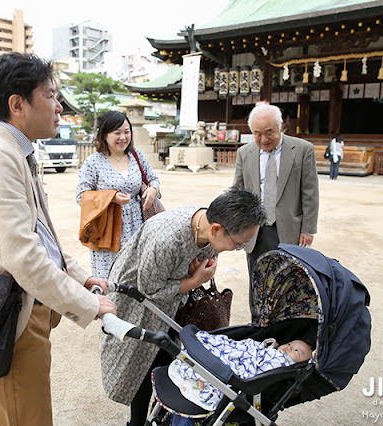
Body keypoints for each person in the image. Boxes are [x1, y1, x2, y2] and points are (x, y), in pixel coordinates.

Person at [0, 52, 116, 425]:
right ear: (18, 105)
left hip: (26, 305)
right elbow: (22, 255)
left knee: (33, 409)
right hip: (8, 310)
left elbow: (40, 234)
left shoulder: (16, 150)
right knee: (23, 415)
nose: (59, 106)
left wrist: (79, 275)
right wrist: (87, 304)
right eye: (50, 95)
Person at [100, 188, 266, 426]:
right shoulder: (167, 239)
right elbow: (150, 289)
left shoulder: (205, 225)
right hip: (137, 304)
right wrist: (195, 281)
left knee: (166, 360)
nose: (237, 249)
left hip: (167, 304)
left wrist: (196, 270)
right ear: (217, 229)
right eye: (238, 244)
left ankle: (164, 418)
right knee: (140, 367)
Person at [232, 104, 319, 285]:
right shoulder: (244, 153)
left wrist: (308, 229)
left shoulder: (303, 150)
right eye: (257, 133)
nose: (263, 139)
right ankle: (257, 314)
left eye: (269, 132)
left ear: (280, 127)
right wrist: (235, 226)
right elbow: (237, 192)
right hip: (255, 229)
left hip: (289, 229)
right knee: (258, 282)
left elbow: (310, 191)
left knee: (288, 282)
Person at [76, 110, 161, 278]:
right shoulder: (94, 162)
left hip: (138, 227)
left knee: (137, 276)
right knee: (111, 278)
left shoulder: (137, 156)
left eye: (126, 132)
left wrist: (153, 189)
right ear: (104, 135)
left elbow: (153, 179)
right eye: (117, 133)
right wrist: (111, 198)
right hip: (108, 230)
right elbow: (81, 196)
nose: (123, 137)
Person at [168, 331, 313, 411]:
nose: (288, 348)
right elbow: (242, 348)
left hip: (235, 376)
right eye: (289, 344)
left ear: (297, 364)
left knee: (217, 372)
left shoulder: (281, 365)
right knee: (222, 347)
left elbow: (256, 370)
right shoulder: (267, 349)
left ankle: (199, 387)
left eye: (296, 351)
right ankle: (194, 372)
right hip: (242, 357)